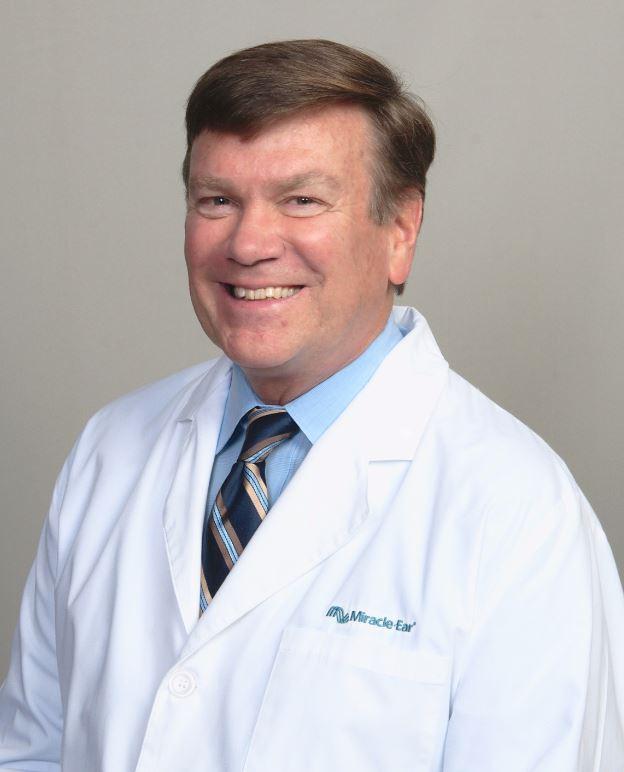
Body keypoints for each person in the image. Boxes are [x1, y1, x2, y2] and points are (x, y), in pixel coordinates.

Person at [1, 38, 623, 772]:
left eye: (302, 200)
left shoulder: (518, 513)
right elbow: (32, 751)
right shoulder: (111, 449)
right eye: (217, 201)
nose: (248, 244)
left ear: (400, 231)